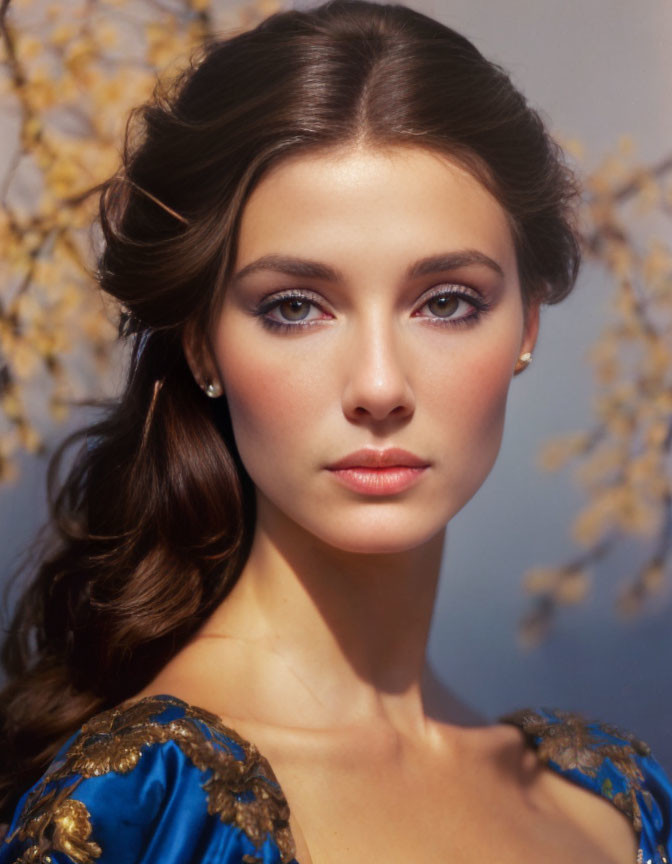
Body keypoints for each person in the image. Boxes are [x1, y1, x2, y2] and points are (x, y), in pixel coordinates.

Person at [0, 0, 670, 861]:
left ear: (528, 327)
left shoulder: (615, 812)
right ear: (204, 341)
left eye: (447, 302)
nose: (380, 386)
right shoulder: (146, 813)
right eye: (294, 307)